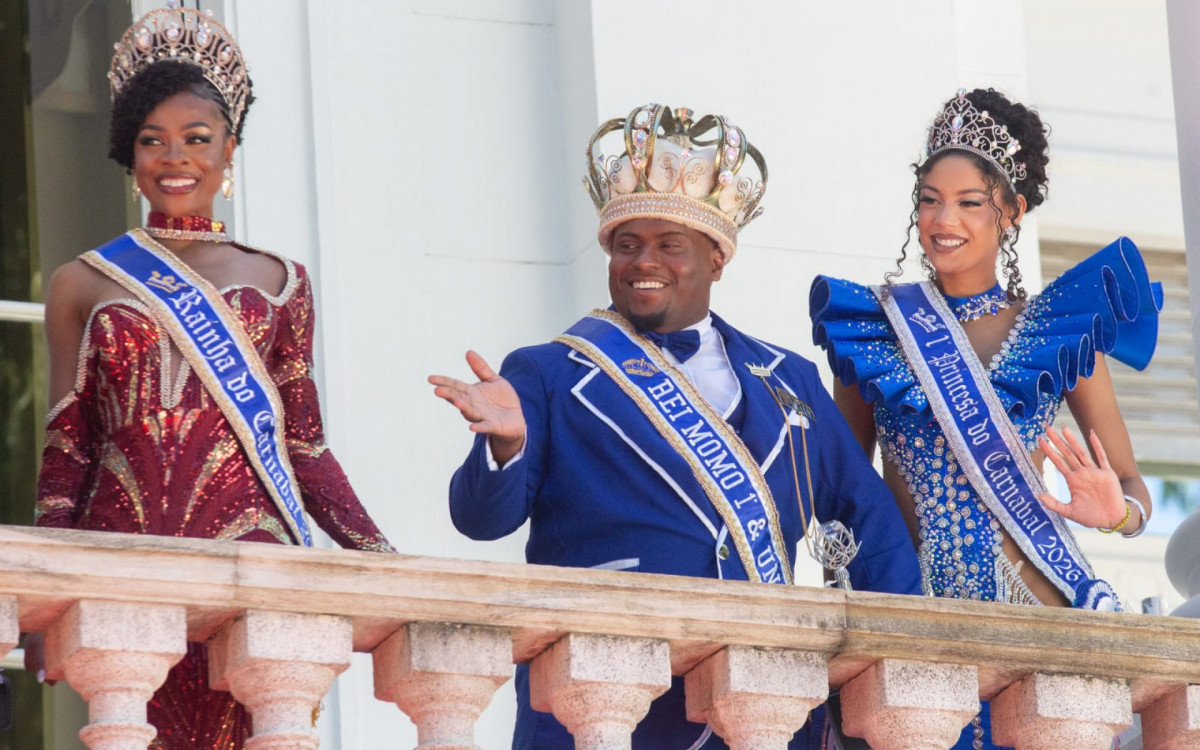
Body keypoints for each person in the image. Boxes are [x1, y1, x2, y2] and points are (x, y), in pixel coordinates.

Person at [431, 103, 923, 750]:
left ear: (716, 259)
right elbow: (479, 520)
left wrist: (902, 660)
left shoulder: (790, 379)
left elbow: (871, 521)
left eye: (669, 245)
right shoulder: (548, 372)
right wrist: (507, 444)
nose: (644, 261)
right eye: (627, 245)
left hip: (766, 712)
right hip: (609, 707)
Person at [31, 5, 394, 748]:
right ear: (128, 153)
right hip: (123, 562)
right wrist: (43, 592)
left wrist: (383, 561)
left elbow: (305, 447)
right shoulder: (81, 282)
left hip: (251, 563)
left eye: (198, 138)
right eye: (152, 139)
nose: (176, 157)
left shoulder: (281, 281)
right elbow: (68, 450)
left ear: (230, 151)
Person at [809, 88, 1162, 749]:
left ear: (1012, 212)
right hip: (917, 626)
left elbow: (1134, 492)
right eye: (929, 199)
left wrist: (1116, 512)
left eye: (970, 202)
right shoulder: (876, 330)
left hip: (1040, 622)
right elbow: (842, 499)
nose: (944, 220)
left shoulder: (1061, 331)